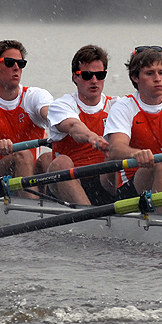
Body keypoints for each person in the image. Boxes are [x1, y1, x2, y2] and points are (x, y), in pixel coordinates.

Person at [105, 46, 162, 214]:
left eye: (161, 72)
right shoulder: (124, 107)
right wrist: (136, 154)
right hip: (134, 186)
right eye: (150, 73)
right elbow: (116, 148)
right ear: (135, 77)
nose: (158, 79)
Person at [0, 39, 53, 193]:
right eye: (9, 62)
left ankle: (55, 205)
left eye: (20, 64)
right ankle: (30, 207)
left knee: (49, 158)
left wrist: (60, 124)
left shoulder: (35, 96)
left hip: (30, 172)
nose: (16, 68)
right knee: (23, 155)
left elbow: (50, 115)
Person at [47, 45, 117, 205]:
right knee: (61, 163)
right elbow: (74, 127)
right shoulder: (62, 106)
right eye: (87, 75)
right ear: (75, 77)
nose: (94, 80)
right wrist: (92, 137)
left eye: (100, 75)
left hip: (105, 181)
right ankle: (88, 218)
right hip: (70, 181)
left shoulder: (116, 106)